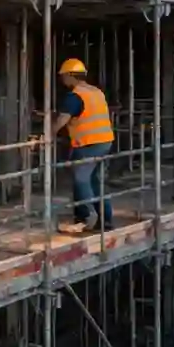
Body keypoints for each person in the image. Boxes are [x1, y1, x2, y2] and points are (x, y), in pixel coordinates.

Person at [47, 58, 114, 233]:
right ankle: (106, 220)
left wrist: (47, 135)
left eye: (63, 76)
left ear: (70, 76)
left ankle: (87, 217)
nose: (62, 80)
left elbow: (63, 119)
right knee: (96, 181)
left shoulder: (75, 95)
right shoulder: (95, 91)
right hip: (105, 141)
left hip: (88, 143)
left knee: (81, 179)